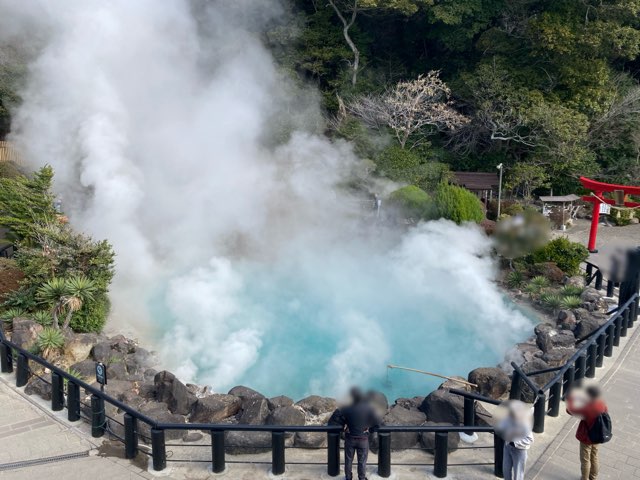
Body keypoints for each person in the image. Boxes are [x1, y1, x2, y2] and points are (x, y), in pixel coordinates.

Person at [334, 388, 380, 480]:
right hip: (363, 439)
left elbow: (337, 418)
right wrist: (370, 430)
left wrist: (343, 427)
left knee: (348, 460)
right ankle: (362, 478)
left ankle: (348, 477)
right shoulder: (369, 408)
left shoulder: (346, 408)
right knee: (362, 461)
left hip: (350, 438)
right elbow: (377, 423)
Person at [567, 385, 608, 480]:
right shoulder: (602, 404)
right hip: (598, 435)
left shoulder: (587, 408)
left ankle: (585, 478)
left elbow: (570, 410)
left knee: (585, 460)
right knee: (595, 457)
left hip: (587, 437)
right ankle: (593, 477)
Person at [496, 400, 534, 480]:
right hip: (507, 447)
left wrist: (515, 442)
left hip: (519, 451)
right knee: (506, 470)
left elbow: (530, 439)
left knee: (518, 475)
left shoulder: (524, 423)